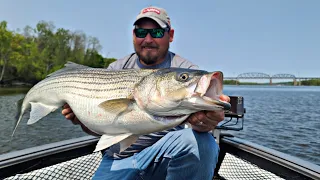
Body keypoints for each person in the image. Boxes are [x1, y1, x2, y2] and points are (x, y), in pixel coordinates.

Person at [62, 6, 230, 180]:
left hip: (166, 157)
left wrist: (207, 122)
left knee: (203, 143)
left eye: (156, 32)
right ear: (133, 35)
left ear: (170, 35)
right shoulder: (115, 70)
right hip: (118, 158)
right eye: (141, 32)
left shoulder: (186, 70)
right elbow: (101, 129)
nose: (148, 39)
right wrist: (82, 120)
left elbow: (202, 123)